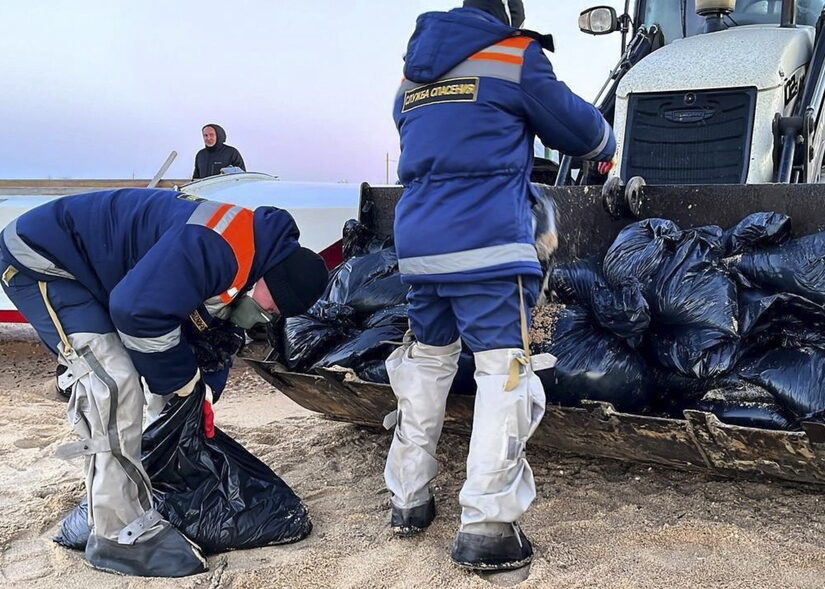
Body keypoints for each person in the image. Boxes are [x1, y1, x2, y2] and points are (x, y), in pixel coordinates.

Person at [384, 0, 616, 571]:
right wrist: (607, 146)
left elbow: (432, 139)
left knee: (428, 363)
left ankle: (408, 498)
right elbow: (580, 131)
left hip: (419, 248)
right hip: (487, 248)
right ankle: (486, 526)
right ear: (509, 13)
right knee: (503, 372)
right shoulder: (516, 54)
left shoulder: (413, 74)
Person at [0, 188, 328, 577]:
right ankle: (115, 535)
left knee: (158, 379)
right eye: (270, 307)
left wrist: (199, 394)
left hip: (101, 273)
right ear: (270, 279)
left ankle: (139, 486)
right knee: (112, 382)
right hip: (43, 261)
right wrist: (184, 381)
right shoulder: (220, 249)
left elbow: (204, 335)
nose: (264, 316)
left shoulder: (250, 261)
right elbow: (138, 313)